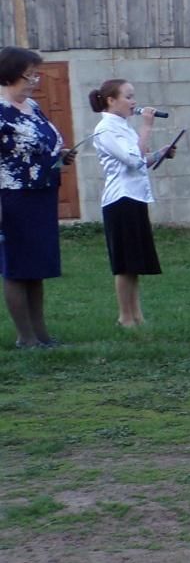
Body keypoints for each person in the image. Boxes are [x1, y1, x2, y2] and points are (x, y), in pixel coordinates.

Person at [0, 47, 77, 348]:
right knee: (18, 268)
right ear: (10, 73)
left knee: (37, 266)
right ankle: (26, 337)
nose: (36, 80)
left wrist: (60, 156)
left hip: (41, 194)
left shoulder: (31, 106)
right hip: (12, 197)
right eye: (30, 74)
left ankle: (42, 334)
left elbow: (43, 145)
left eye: (36, 73)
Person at [89, 80, 177, 327]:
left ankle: (137, 315)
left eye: (133, 96)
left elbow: (140, 161)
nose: (134, 102)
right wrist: (147, 126)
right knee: (125, 263)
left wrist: (160, 154)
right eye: (128, 97)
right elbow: (131, 159)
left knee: (135, 263)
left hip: (135, 197)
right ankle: (125, 317)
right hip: (120, 200)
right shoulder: (106, 129)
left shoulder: (123, 126)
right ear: (110, 100)